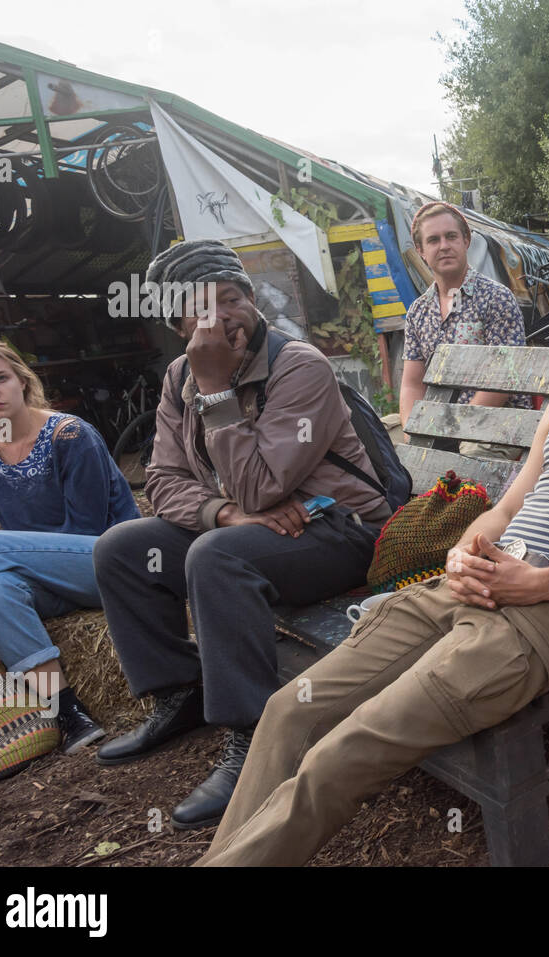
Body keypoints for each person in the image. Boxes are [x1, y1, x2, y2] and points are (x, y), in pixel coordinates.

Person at [194, 222, 549, 866]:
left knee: (350, 744)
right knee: (287, 711)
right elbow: (502, 510)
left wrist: (535, 584)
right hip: (470, 587)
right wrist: (462, 552)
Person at [92, 240, 392, 830]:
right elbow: (161, 480)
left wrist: (216, 391)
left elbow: (260, 485)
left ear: (254, 300)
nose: (222, 317)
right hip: (258, 530)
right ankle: (179, 692)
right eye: (202, 309)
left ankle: (255, 737)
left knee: (217, 559)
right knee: (124, 548)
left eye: (233, 299)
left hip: (344, 531)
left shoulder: (298, 365)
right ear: (179, 325)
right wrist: (227, 514)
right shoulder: (180, 376)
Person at [0, 336, 139, 753]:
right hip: (42, 578)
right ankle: (69, 714)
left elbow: (86, 531)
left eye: (1, 378)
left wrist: (6, 553)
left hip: (110, 563)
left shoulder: (71, 435)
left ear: (22, 380)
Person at [398, 201, 530, 457]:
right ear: (421, 250)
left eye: (451, 237)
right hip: (440, 425)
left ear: (466, 241)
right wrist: (413, 431)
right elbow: (412, 384)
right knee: (378, 442)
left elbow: (500, 383)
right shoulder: (418, 312)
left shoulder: (496, 298)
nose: (444, 246)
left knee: (467, 462)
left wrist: (454, 432)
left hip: (497, 423)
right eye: (433, 240)